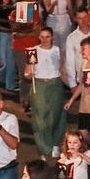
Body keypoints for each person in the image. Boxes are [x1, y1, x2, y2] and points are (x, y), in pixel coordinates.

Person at [27, 27, 67, 159]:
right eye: (42, 37)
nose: (44, 40)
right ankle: (44, 149)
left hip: (55, 84)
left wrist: (74, 86)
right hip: (39, 85)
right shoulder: (33, 51)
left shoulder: (57, 51)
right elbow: (26, 72)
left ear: (52, 37)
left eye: (47, 37)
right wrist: (29, 74)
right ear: (39, 37)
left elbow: (63, 70)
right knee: (40, 117)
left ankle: (55, 144)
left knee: (57, 116)